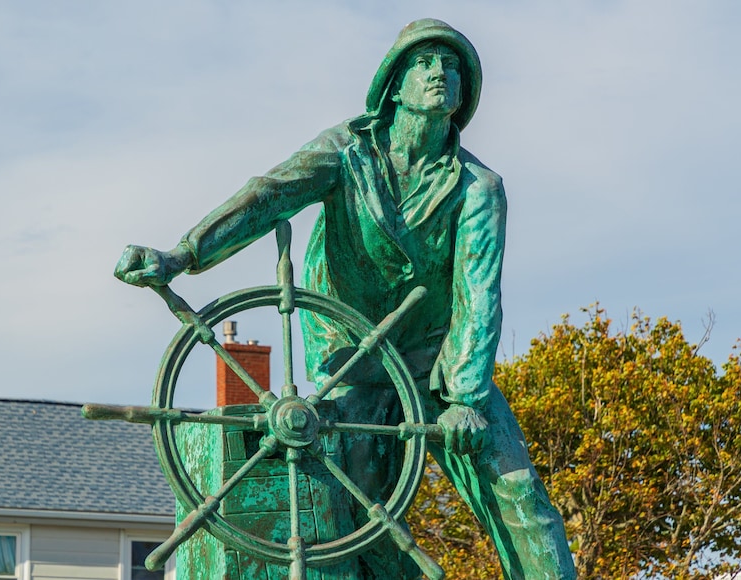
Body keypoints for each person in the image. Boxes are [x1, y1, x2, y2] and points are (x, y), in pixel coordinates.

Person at [115, 19, 576, 580]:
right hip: (354, 364)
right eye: (424, 63)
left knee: (521, 498)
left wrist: (466, 399)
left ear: (464, 92)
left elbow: (479, 296)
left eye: (450, 66)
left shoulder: (479, 188)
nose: (438, 74)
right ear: (393, 84)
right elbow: (267, 196)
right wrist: (182, 254)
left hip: (439, 369)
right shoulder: (345, 153)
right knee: (359, 526)